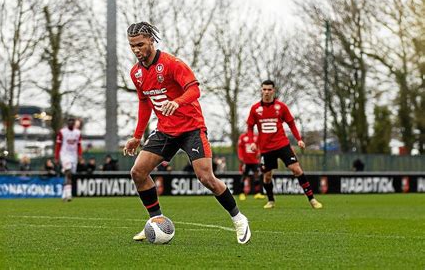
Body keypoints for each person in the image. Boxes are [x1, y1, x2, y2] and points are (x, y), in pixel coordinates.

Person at [124, 22, 250, 244]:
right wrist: (137, 135)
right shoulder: (136, 73)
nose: (136, 50)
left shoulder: (172, 64)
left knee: (205, 177)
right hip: (165, 131)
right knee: (138, 172)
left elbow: (194, 89)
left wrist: (177, 102)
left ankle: (239, 219)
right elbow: (144, 103)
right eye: (132, 46)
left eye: (140, 44)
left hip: (191, 128)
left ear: (151, 41)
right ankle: (156, 221)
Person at [247, 80, 322, 209]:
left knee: (296, 169)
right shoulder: (255, 109)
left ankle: (312, 199)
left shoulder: (281, 107)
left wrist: (299, 139)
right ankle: (270, 200)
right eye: (264, 89)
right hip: (265, 148)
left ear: (273, 91)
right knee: (267, 176)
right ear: (261, 90)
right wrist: (252, 142)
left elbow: (291, 123)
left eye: (269, 90)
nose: (266, 92)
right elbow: (250, 127)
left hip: (282, 145)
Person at [55, 117, 82, 202]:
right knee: (68, 173)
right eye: (69, 122)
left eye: (72, 122)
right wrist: (56, 157)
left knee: (70, 175)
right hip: (64, 155)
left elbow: (79, 145)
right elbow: (58, 145)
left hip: (73, 156)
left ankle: (64, 194)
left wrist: (80, 155)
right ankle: (69, 194)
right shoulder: (62, 132)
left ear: (74, 124)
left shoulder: (78, 133)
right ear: (67, 123)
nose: (70, 123)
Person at [237, 132, 265, 201]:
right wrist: (240, 157)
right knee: (244, 176)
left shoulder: (256, 136)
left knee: (256, 176)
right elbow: (240, 148)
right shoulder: (242, 137)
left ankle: (257, 193)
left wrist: (259, 152)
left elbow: (259, 146)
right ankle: (241, 193)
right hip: (245, 161)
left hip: (254, 160)